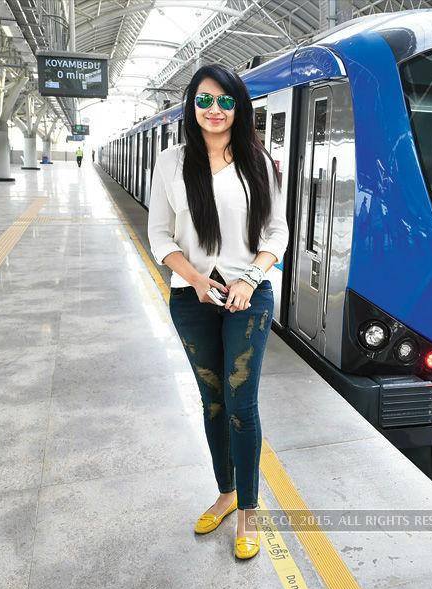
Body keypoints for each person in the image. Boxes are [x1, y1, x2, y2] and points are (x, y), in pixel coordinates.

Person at [148, 63, 288, 560]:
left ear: (238, 107)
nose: (214, 110)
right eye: (205, 99)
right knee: (212, 403)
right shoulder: (170, 163)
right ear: (191, 103)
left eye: (225, 101)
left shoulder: (260, 163)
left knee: (241, 405)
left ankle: (249, 510)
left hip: (247, 298)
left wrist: (251, 278)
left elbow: (276, 233)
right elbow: (160, 236)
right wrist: (194, 279)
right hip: (193, 300)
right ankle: (226, 494)